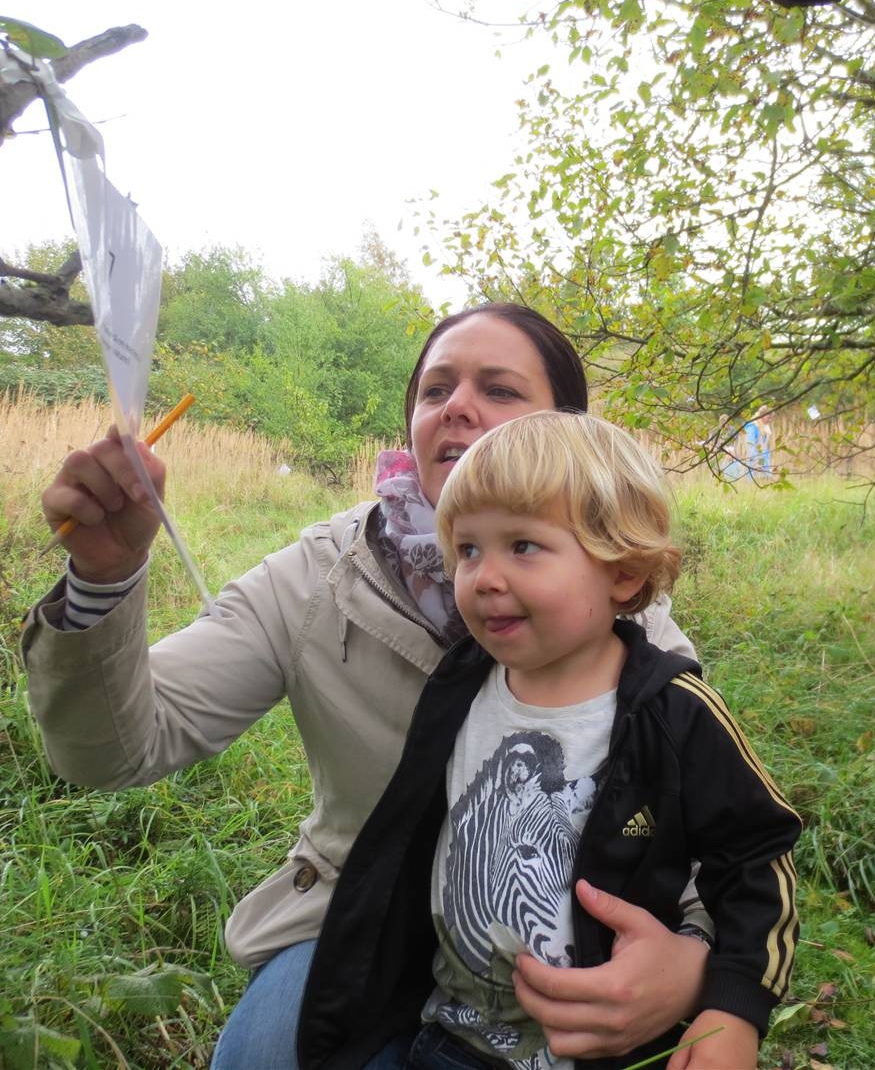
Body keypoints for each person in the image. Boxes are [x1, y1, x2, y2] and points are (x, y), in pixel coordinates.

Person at [22, 304, 712, 1070]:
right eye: (435, 389)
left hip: (553, 936)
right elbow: (114, 748)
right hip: (354, 913)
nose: (456, 405)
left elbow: (710, 824)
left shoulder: (617, 609)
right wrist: (103, 580)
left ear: (565, 429)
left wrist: (691, 962)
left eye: (501, 389)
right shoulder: (322, 574)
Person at [297, 412, 801, 1070]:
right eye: (469, 549)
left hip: (608, 1046)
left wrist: (733, 1008)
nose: (485, 576)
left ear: (620, 572)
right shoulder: (462, 684)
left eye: (523, 546)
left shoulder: (673, 712)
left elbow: (758, 854)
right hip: (451, 1038)